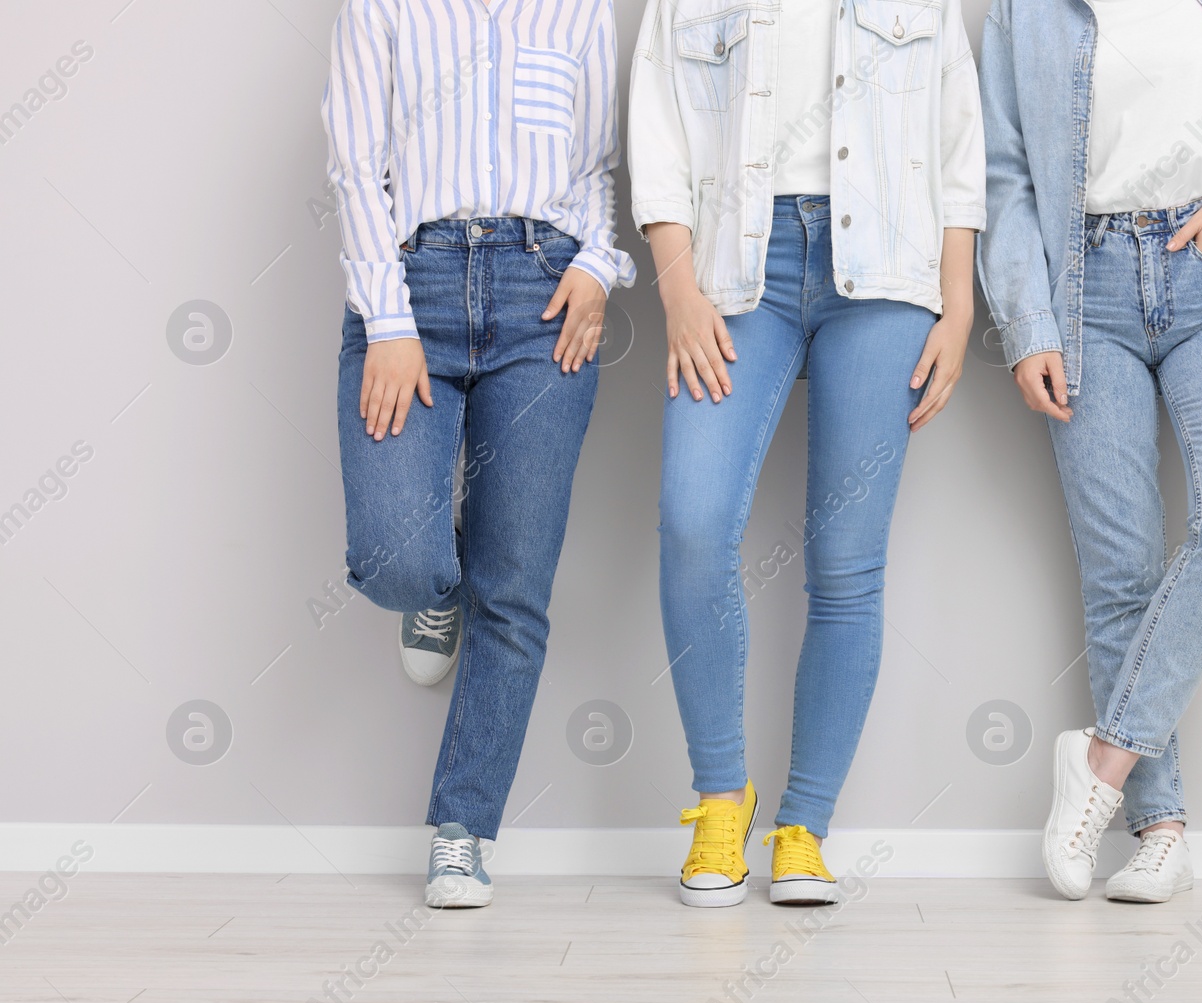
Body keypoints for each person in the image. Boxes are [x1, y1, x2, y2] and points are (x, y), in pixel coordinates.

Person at [978, 0, 1202, 902]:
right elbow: (1004, 173)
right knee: (1121, 571)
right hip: (1084, 288)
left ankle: (1100, 760)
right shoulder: (1022, 13)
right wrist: (1027, 324)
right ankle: (1160, 831)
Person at [629, 0, 985, 906]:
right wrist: (677, 294)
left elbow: (958, 140)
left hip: (886, 274)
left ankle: (804, 827)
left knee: (846, 562)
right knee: (693, 523)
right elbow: (658, 127)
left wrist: (958, 304)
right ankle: (720, 800)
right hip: (731, 272)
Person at [323, 0, 633, 907]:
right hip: (408, 282)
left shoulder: (581, 11)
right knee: (395, 558)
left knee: (518, 586)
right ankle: (434, 591)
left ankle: (463, 826)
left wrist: (597, 264)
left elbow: (600, 168)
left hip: (543, 291)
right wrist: (386, 319)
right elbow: (353, 167)